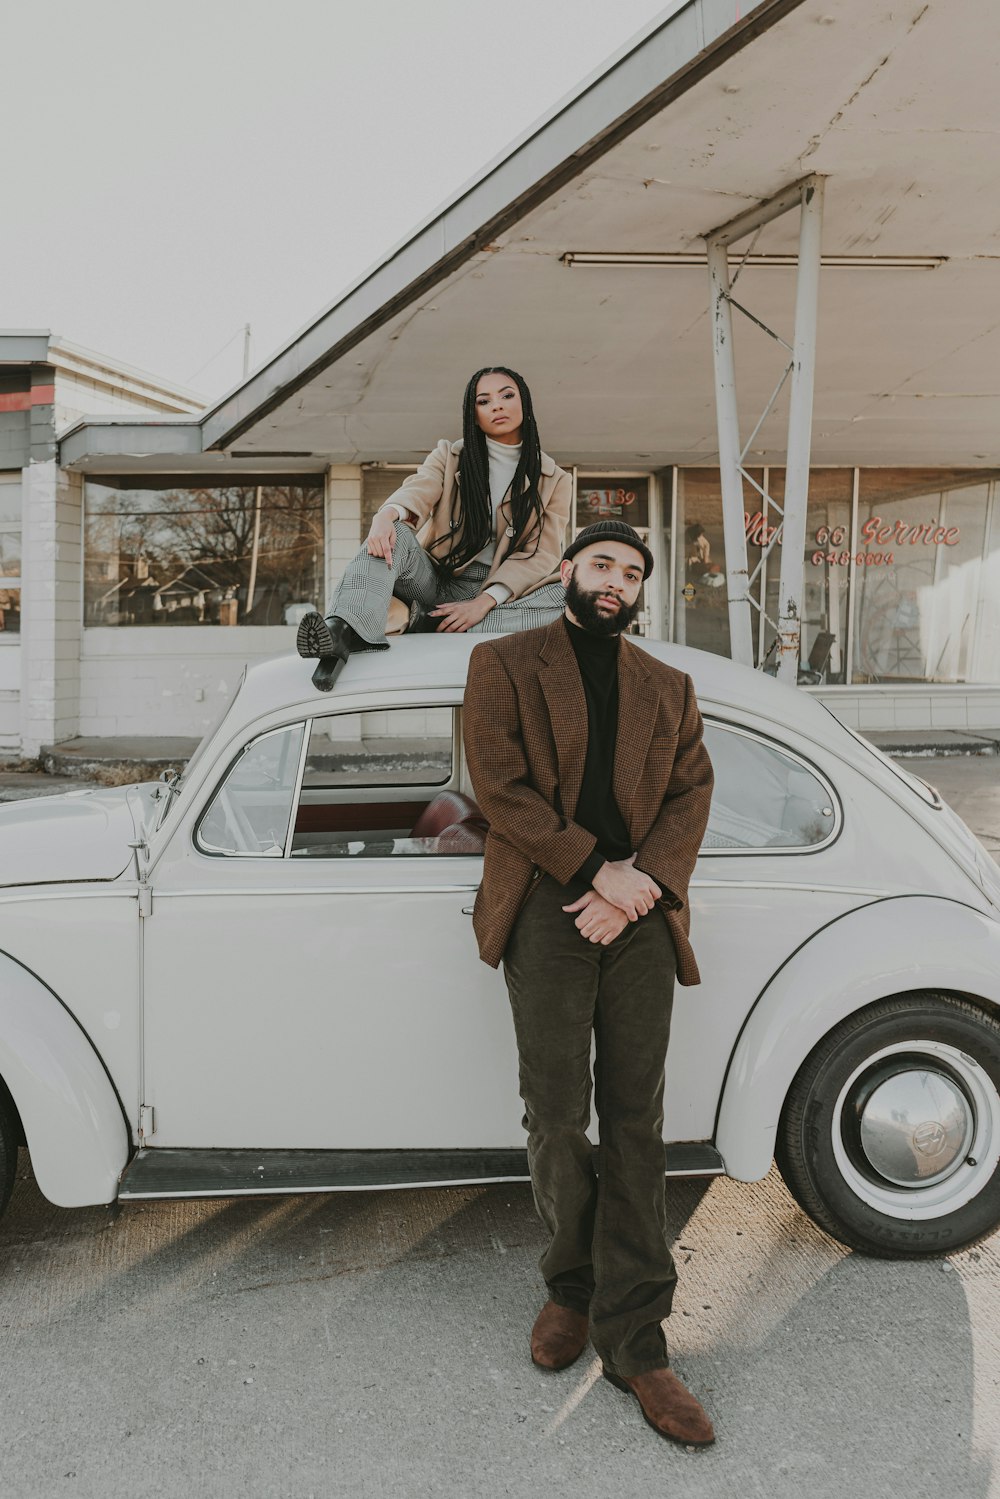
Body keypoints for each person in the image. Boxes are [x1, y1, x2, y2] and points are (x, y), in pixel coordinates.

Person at [462, 519, 716, 1449]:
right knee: (559, 1112)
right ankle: (572, 1288)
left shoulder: (669, 686)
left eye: (633, 571)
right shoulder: (505, 663)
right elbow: (500, 787)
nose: (616, 580)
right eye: (603, 563)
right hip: (546, 905)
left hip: (641, 916)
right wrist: (593, 872)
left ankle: (638, 1340)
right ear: (568, 570)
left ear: (641, 590)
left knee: (639, 1119)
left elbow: (691, 792)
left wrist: (639, 882)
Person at [295, 367, 571, 688]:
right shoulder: (450, 456)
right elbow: (419, 489)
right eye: (484, 401)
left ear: (524, 402)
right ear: (474, 414)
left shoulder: (555, 480)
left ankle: (421, 620)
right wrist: (387, 515)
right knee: (393, 533)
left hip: (502, 595)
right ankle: (341, 631)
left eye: (507, 395)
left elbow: (541, 554)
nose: (497, 405)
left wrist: (484, 602)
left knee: (574, 592)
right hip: (437, 580)